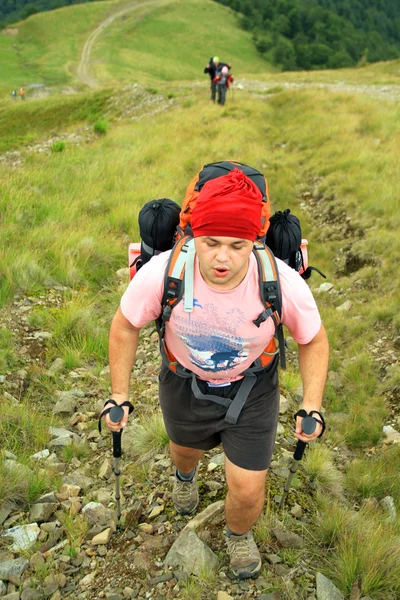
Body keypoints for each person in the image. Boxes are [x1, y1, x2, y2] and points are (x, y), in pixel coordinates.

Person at [104, 168, 329, 580]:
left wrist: (310, 403)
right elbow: (125, 325)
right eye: (210, 243)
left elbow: (312, 340)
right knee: (184, 451)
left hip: (254, 389)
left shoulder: (279, 279)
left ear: (254, 243)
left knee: (247, 489)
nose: (222, 257)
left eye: (236, 245)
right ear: (193, 238)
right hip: (184, 382)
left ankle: (238, 533)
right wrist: (119, 393)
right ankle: (184, 476)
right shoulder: (165, 273)